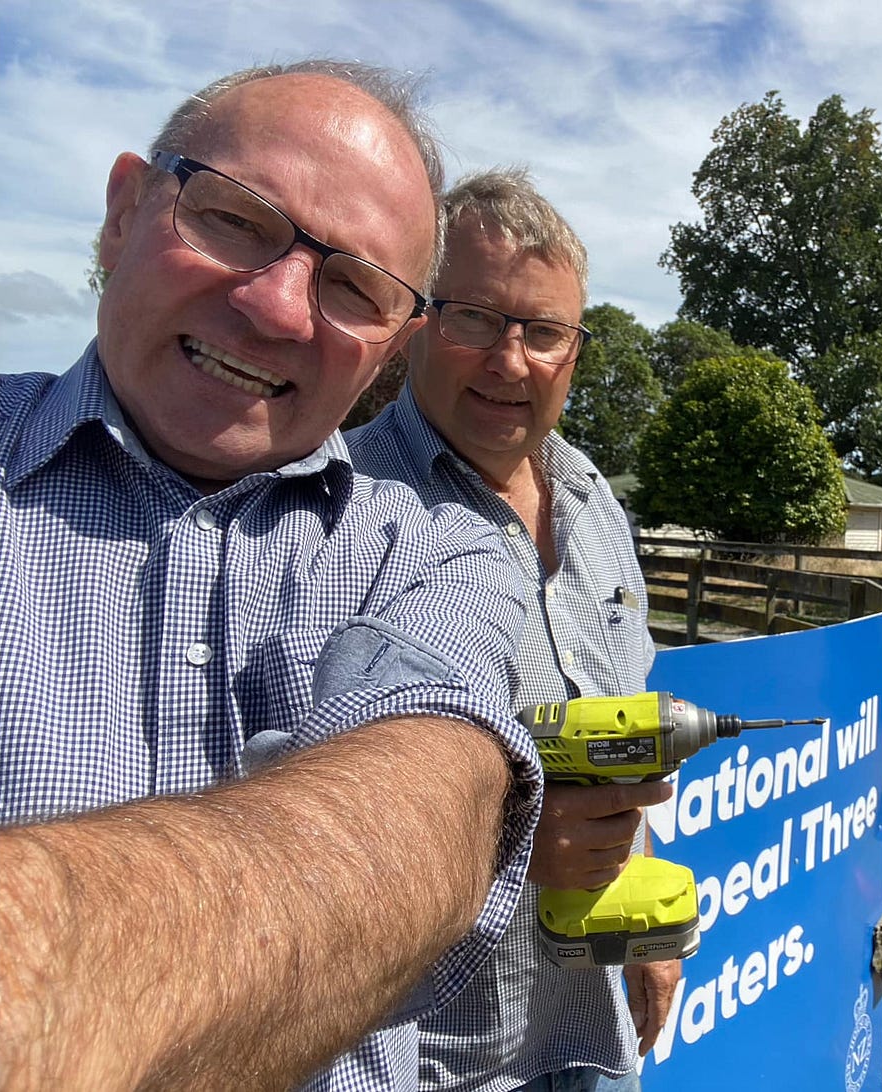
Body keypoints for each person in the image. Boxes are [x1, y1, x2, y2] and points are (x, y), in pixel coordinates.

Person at [0, 62, 544, 1092]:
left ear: (390, 350)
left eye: (355, 287)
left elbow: (428, 808)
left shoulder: (442, 552)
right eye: (235, 220)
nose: (279, 309)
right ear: (123, 212)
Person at [348, 169, 681, 1092]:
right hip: (441, 1061)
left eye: (543, 332)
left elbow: (622, 741)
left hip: (594, 1038)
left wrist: (647, 926)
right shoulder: (336, 511)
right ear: (417, 322)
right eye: (475, 319)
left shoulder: (593, 501)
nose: (511, 361)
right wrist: (503, 849)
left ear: (574, 349)